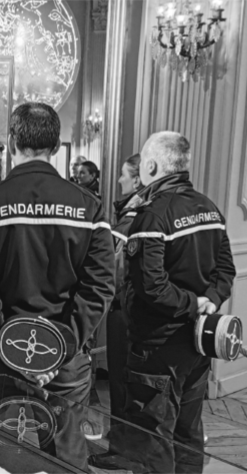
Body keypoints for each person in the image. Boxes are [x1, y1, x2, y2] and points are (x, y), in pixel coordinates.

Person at [0, 102, 115, 471]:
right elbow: (99, 288)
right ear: (55, 146)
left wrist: (10, 346)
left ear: (12, 141)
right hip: (64, 358)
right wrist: (58, 349)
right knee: (65, 458)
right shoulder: (88, 207)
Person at [122, 132, 236, 473]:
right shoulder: (209, 207)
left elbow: (151, 286)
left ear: (151, 166)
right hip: (199, 342)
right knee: (188, 432)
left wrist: (194, 303)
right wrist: (209, 301)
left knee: (151, 438)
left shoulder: (152, 215)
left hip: (158, 345)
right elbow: (226, 270)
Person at [89, 153, 145, 469]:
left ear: (137, 179)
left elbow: (113, 269)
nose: (119, 179)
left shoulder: (131, 218)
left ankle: (123, 451)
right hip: (140, 310)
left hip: (125, 308)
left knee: (122, 382)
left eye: (124, 174)